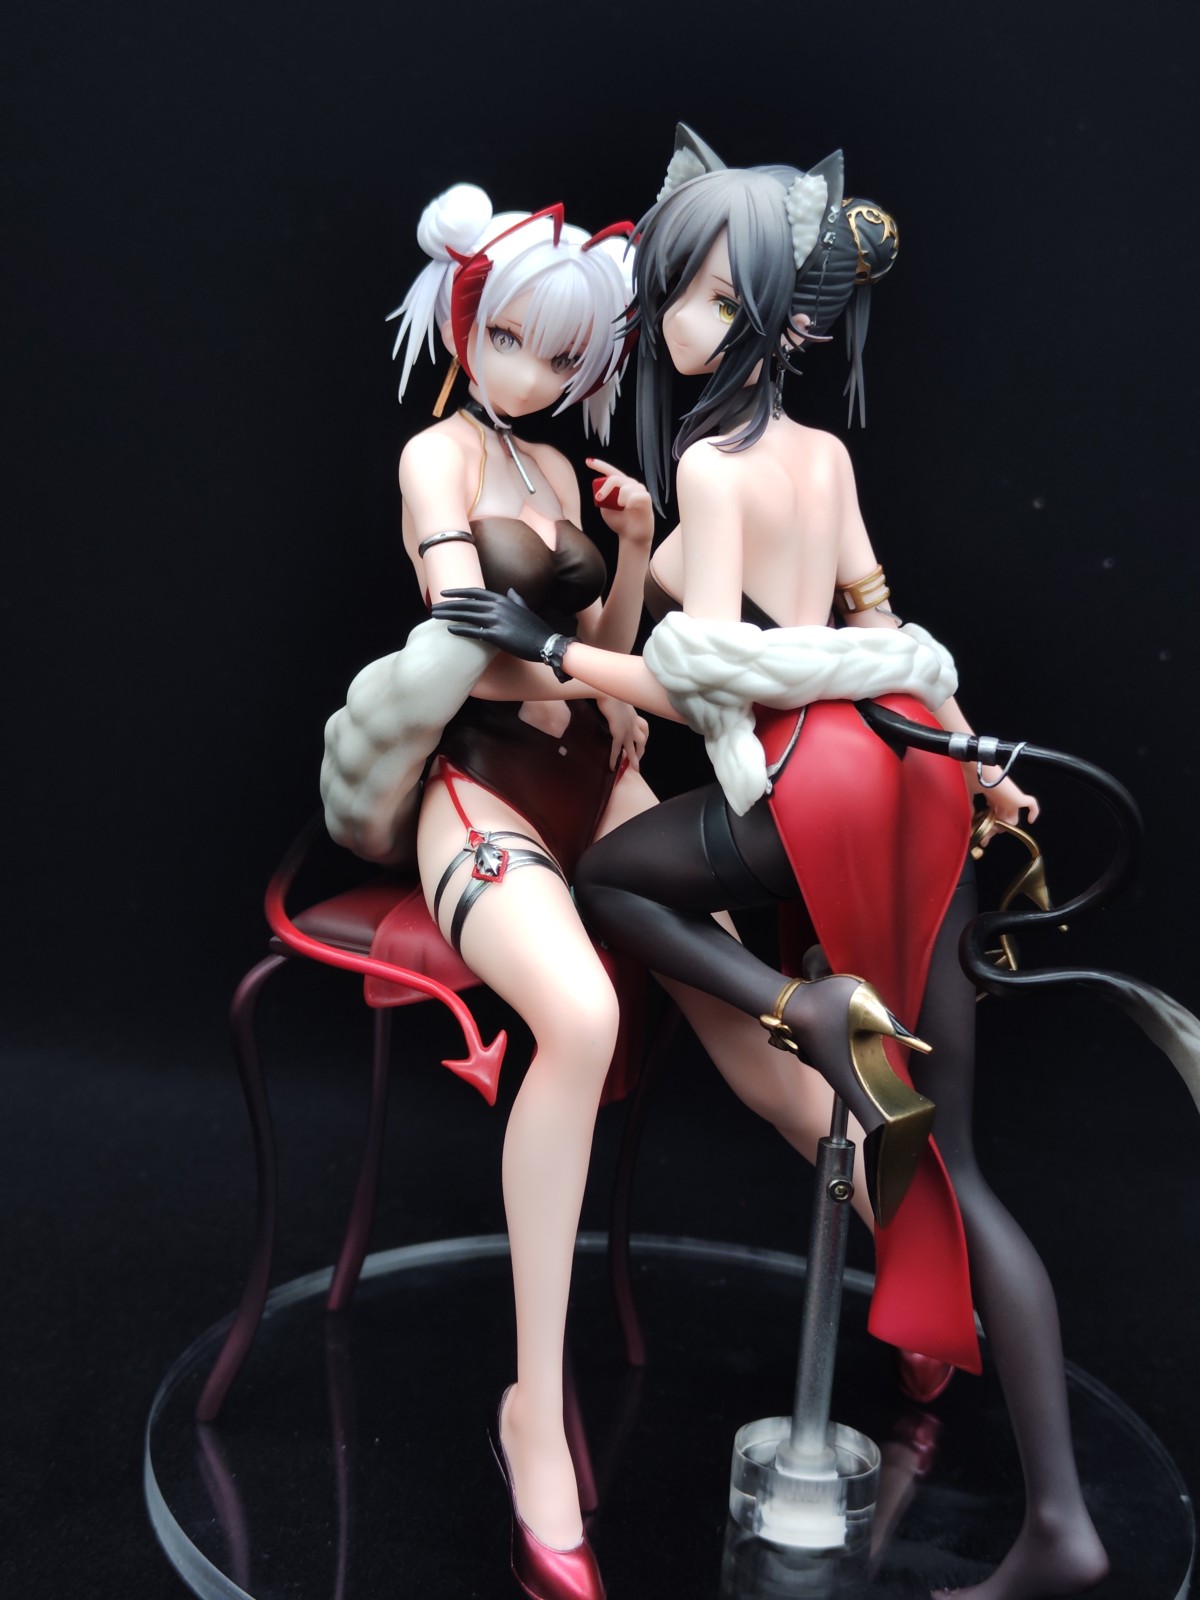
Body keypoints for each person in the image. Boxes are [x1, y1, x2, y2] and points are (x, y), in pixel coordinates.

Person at [434, 129, 1111, 1599]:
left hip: (816, 781)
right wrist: (977, 761)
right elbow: (886, 626)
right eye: (677, 292)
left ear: (763, 319)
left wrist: (556, 652)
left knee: (619, 888)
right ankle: (1060, 1518)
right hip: (915, 772)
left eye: (701, 295)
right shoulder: (826, 457)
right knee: (955, 1160)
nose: (675, 320)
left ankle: (797, 1007)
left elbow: (706, 683)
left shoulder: (716, 461)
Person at [325, 180, 884, 1600]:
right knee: (576, 1016)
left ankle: (928, 1268)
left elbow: (611, 640)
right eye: (511, 339)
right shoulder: (438, 458)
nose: (534, 373)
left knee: (761, 1034)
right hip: (481, 787)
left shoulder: (570, 473)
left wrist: (628, 552)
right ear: (465, 323)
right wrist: (600, 677)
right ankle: (534, 1408)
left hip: (599, 775)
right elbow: (468, 640)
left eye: (566, 353)